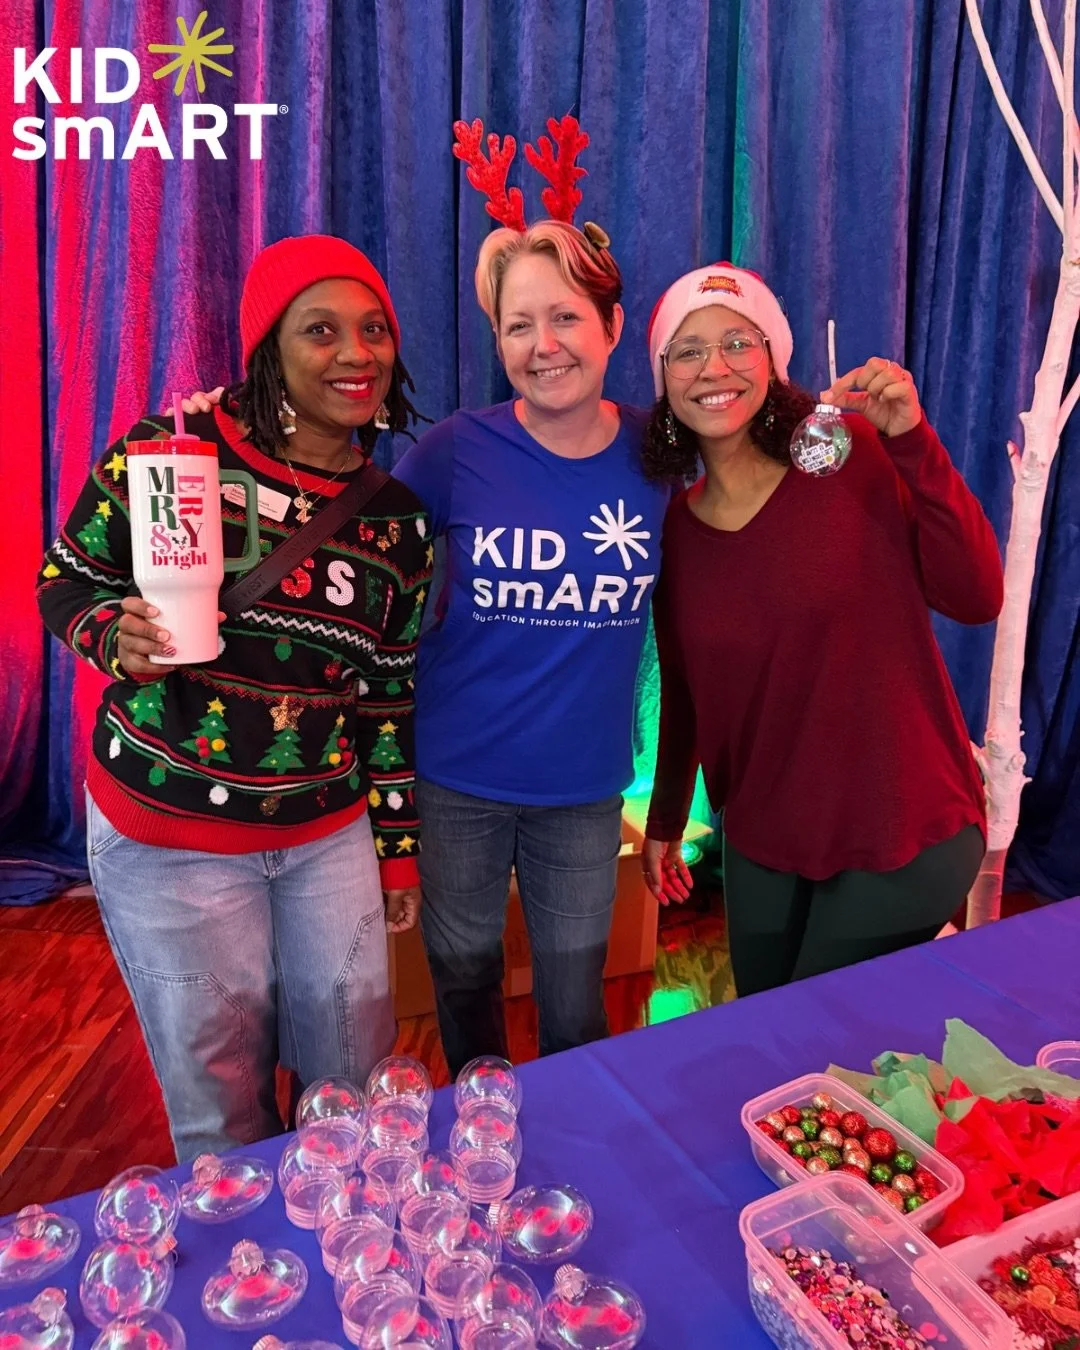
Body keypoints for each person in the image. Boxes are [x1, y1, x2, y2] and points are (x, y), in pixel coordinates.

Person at [36, 235, 432, 1160]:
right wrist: (113, 635)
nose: (355, 354)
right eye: (321, 330)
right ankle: (252, 1284)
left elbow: (385, 697)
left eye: (374, 330)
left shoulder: (396, 522)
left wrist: (399, 853)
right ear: (270, 348)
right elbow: (68, 575)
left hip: (326, 833)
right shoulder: (173, 455)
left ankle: (348, 1269)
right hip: (168, 837)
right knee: (220, 1109)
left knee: (357, 1093)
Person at [640, 262, 1004, 996]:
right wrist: (665, 821)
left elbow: (975, 596)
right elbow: (685, 688)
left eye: (738, 342)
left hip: (902, 827)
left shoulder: (854, 460)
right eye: (687, 349)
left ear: (773, 360)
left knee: (805, 1042)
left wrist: (914, 442)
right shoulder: (674, 528)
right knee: (765, 1034)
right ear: (663, 379)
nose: (715, 367)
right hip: (765, 839)